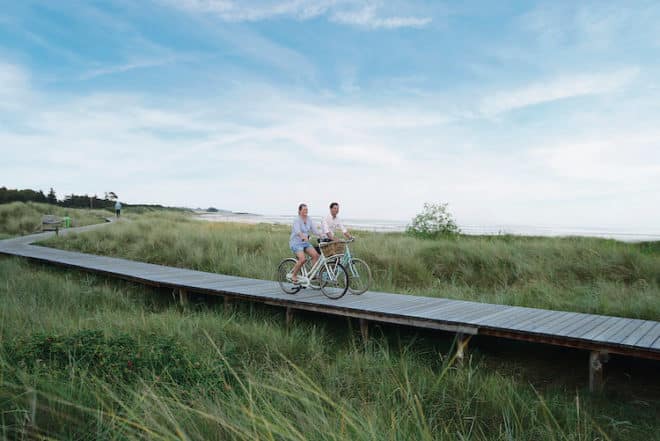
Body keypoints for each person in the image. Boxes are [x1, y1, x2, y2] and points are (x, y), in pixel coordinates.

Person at [289, 203, 321, 284]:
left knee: (316, 255)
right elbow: (297, 231)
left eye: (306, 210)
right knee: (302, 259)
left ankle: (313, 275)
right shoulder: (297, 220)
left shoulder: (309, 219)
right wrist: (302, 236)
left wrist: (321, 234)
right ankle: (294, 275)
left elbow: (314, 230)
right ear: (299, 211)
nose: (305, 211)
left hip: (305, 243)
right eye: (304, 210)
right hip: (296, 243)